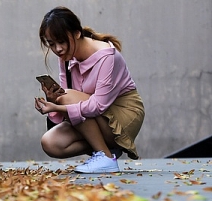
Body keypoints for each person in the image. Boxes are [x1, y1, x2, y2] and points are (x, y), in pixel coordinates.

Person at [34, 6, 145, 173]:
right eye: (51, 44)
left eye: (62, 41)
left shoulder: (107, 56)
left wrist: (59, 105)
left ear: (77, 33)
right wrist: (52, 100)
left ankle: (105, 157)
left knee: (67, 97)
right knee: (50, 143)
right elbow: (67, 98)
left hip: (123, 113)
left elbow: (97, 105)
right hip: (93, 117)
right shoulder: (65, 57)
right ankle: (106, 149)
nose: (57, 49)